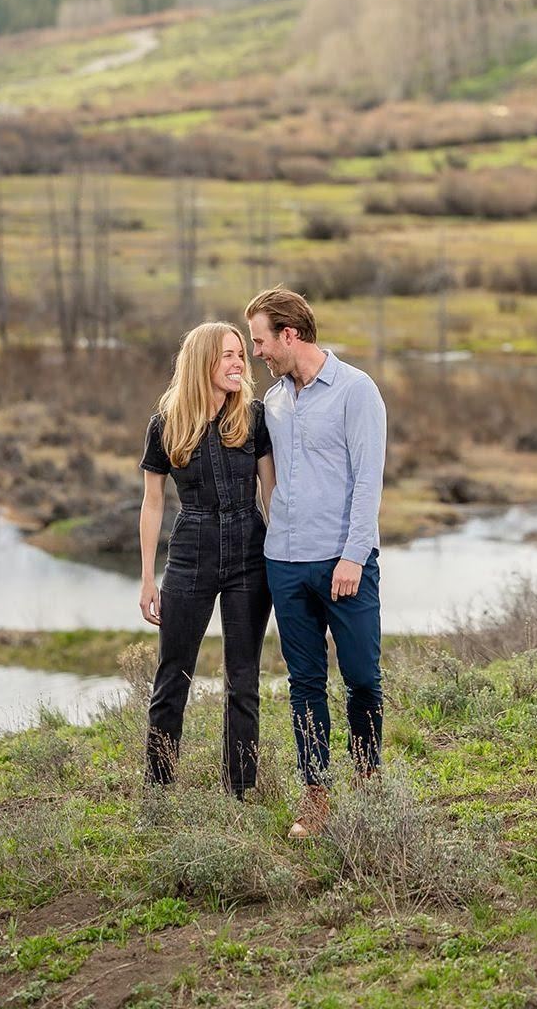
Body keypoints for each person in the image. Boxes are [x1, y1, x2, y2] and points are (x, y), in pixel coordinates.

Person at [245, 286, 387, 839]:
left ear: (289, 334)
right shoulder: (273, 402)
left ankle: (370, 783)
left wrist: (354, 556)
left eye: (260, 341)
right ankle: (316, 795)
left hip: (343, 562)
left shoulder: (356, 390)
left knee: (361, 679)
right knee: (304, 683)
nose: (257, 352)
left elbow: (367, 480)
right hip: (284, 561)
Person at [137, 321, 275, 797]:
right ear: (201, 363)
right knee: (172, 677)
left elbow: (271, 493)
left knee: (243, 681)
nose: (240, 363)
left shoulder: (254, 418)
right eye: (228, 356)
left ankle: (240, 792)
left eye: (242, 354)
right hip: (190, 553)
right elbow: (152, 502)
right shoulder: (166, 422)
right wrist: (147, 578)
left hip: (249, 556)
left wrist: (283, 559)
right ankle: (158, 790)